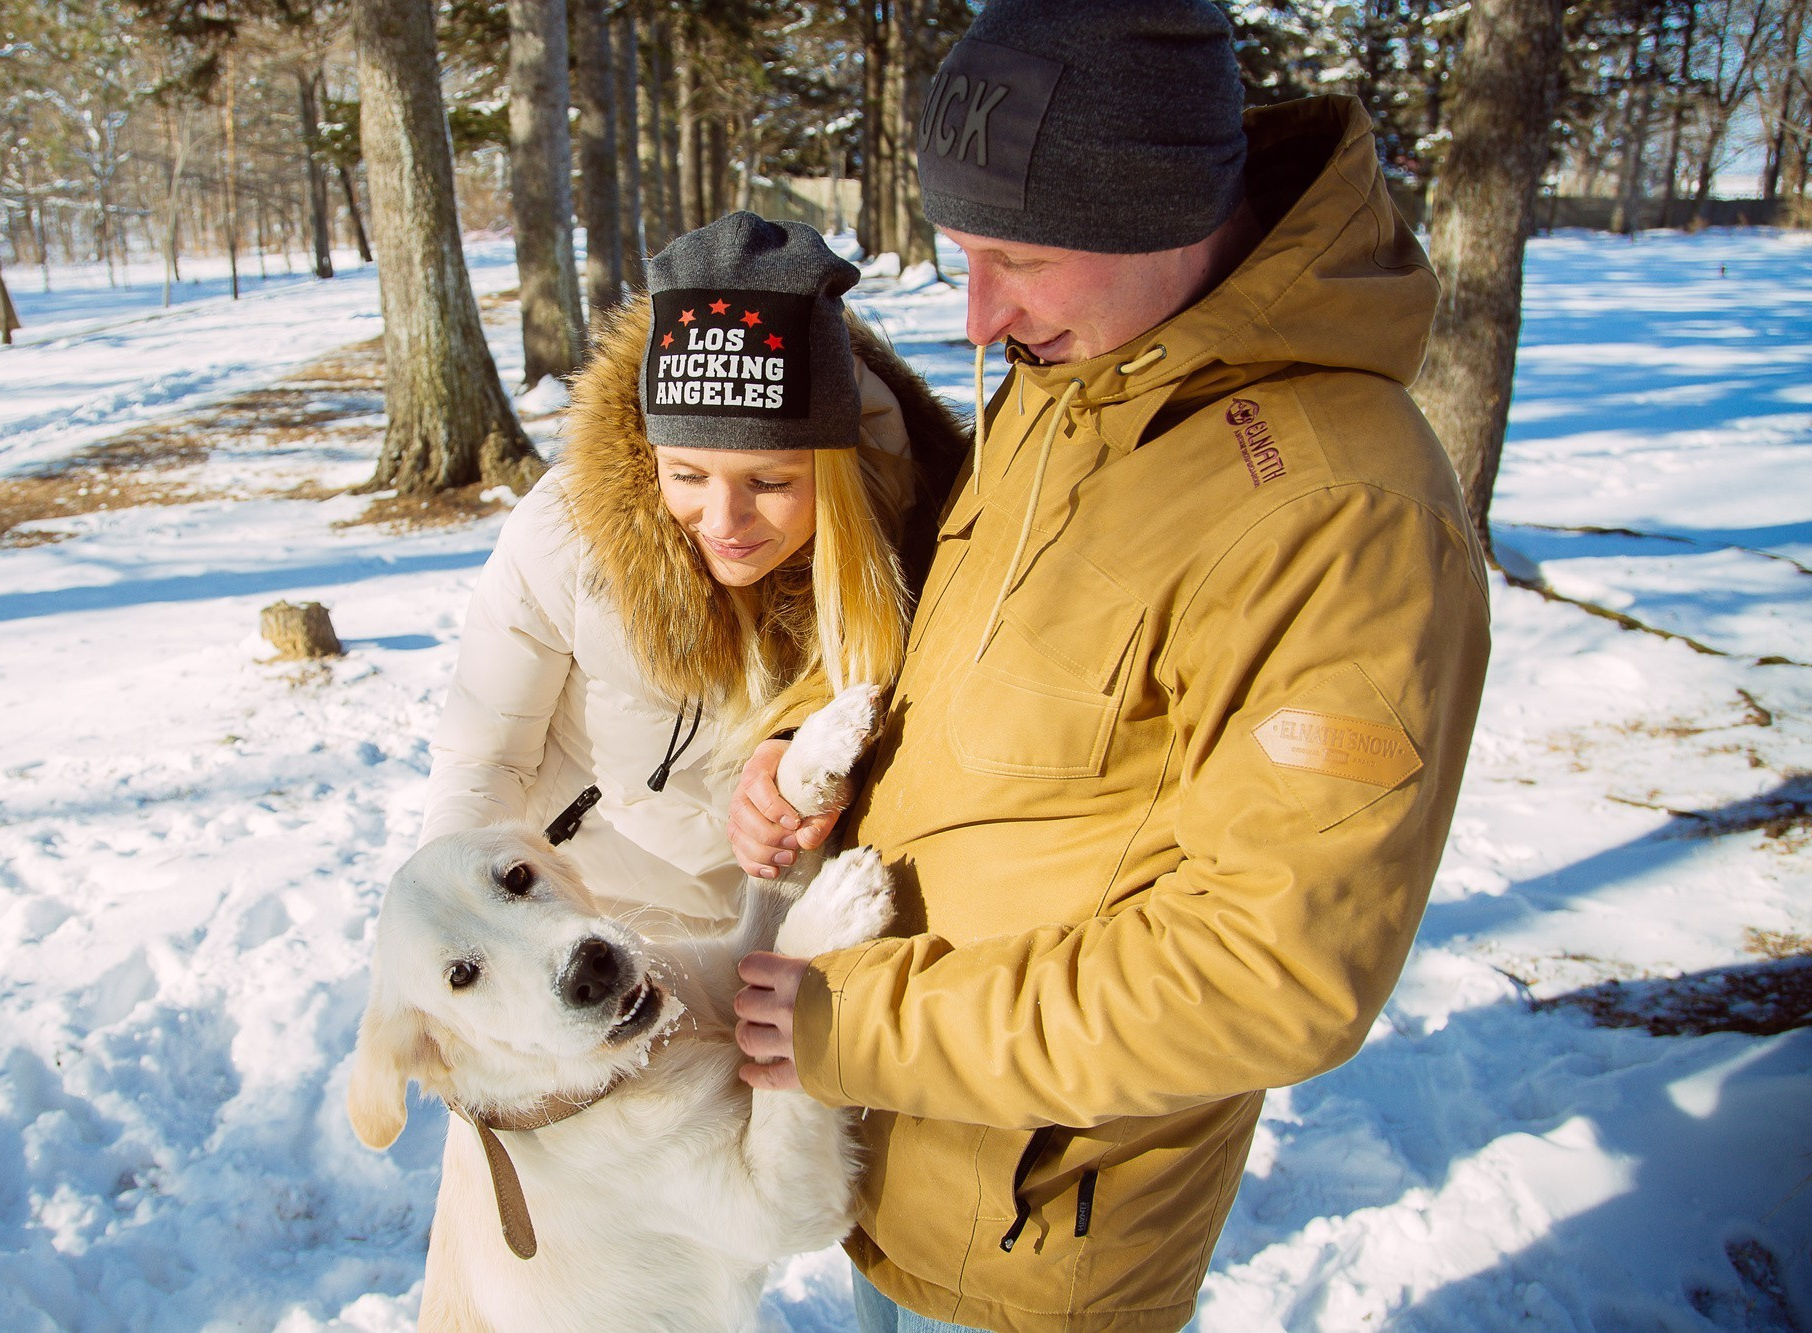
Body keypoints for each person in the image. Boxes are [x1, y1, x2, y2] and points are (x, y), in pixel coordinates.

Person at [728, 3, 1493, 1330]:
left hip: (1033, 1231)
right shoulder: (1086, 369)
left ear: (1169, 214)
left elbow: (1271, 968)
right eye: (966, 252)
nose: (977, 313)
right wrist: (807, 742)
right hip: (880, 1145)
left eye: (1019, 255)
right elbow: (972, 625)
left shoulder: (1339, 509)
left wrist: (861, 1026)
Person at [419, 211, 963, 938]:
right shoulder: (566, 536)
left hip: (773, 944)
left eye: (768, 481)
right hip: (583, 928)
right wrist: (448, 919)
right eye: (686, 473)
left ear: (833, 470)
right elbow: (482, 758)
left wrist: (796, 735)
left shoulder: (915, 533)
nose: (722, 520)